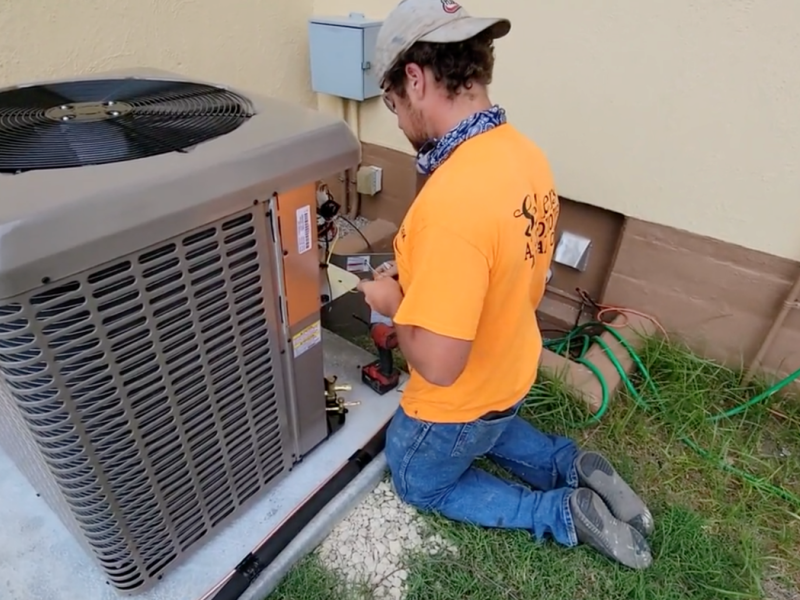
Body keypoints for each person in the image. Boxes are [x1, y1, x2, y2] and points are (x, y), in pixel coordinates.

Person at [357, 0, 654, 570]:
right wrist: (424, 279)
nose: (396, 121)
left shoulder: (450, 202)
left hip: (459, 400)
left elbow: (440, 367)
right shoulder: (524, 156)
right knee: (491, 426)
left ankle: (559, 512)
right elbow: (506, 271)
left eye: (392, 104)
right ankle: (570, 462)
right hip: (510, 371)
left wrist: (397, 304)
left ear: (415, 80)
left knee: (417, 477)